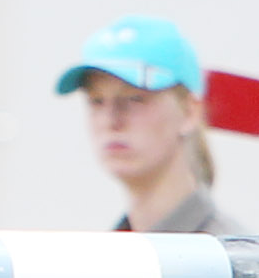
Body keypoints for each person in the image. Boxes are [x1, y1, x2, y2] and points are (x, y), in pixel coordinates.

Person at [58, 14, 245, 235]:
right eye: (96, 101)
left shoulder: (230, 261)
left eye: (135, 98)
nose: (111, 121)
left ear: (189, 112)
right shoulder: (111, 251)